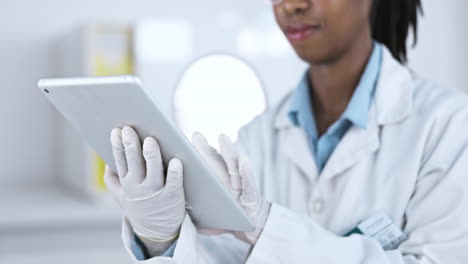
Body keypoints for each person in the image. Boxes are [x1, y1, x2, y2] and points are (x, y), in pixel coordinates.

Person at [104, 0, 468, 263]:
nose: (291, 5)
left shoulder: (447, 125)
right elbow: (226, 258)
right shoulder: (257, 136)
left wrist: (266, 227)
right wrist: (161, 237)